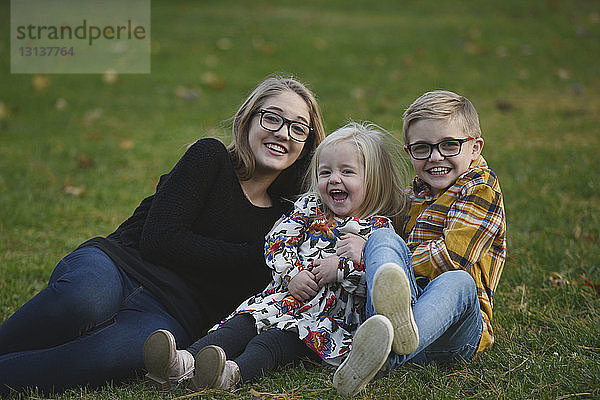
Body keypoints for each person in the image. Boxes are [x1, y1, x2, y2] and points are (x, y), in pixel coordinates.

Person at [0, 76, 326, 396]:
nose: (283, 133)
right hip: (120, 266)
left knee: (109, 356)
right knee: (83, 301)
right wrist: (257, 254)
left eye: (298, 127)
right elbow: (161, 241)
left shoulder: (289, 221)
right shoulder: (209, 158)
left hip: (170, 315)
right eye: (272, 118)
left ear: (307, 145)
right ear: (248, 119)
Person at [142, 121, 410, 391]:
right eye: (325, 171)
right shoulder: (308, 208)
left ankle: (230, 375)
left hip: (322, 321)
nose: (334, 179)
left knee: (270, 343)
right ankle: (181, 362)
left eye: (347, 172)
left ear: (372, 179)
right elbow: (277, 240)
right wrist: (292, 274)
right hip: (283, 298)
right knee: (240, 325)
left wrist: (340, 268)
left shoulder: (378, 232)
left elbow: (377, 284)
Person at [333, 90, 507, 396]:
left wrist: (369, 255)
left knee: (459, 281)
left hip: (454, 335)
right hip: (405, 320)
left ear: (475, 146)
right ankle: (389, 343)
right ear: (408, 151)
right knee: (383, 236)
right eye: (422, 148)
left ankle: (384, 356)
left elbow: (454, 257)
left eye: (449, 145)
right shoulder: (413, 193)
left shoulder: (481, 188)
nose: (435, 157)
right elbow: (376, 227)